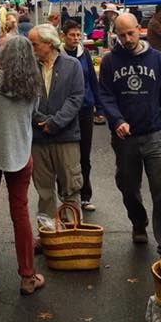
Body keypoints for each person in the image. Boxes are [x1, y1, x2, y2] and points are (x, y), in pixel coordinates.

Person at [98, 12, 161, 256]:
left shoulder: (157, 59)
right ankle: (138, 222)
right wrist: (117, 120)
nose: (127, 38)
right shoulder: (110, 62)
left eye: (130, 33)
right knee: (128, 186)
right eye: (121, 35)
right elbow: (105, 95)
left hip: (155, 134)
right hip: (125, 139)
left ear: (140, 29)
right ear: (116, 35)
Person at [0, 36, 45, 297]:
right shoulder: (33, 83)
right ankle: (27, 276)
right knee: (21, 213)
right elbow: (34, 112)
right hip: (20, 152)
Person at [28, 24, 84, 226]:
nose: (31, 48)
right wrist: (40, 120)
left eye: (34, 44)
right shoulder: (30, 68)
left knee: (71, 186)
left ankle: (73, 233)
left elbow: (76, 98)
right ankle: (48, 233)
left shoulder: (72, 65)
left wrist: (56, 122)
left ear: (49, 43)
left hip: (65, 136)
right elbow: (25, 99)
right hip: (38, 137)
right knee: (44, 189)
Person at [62, 20, 100, 212]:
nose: (76, 38)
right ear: (64, 36)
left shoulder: (84, 53)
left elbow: (93, 80)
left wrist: (99, 106)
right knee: (66, 155)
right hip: (66, 111)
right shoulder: (58, 55)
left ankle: (86, 195)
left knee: (84, 155)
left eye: (78, 35)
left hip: (85, 109)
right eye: (72, 35)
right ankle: (66, 194)